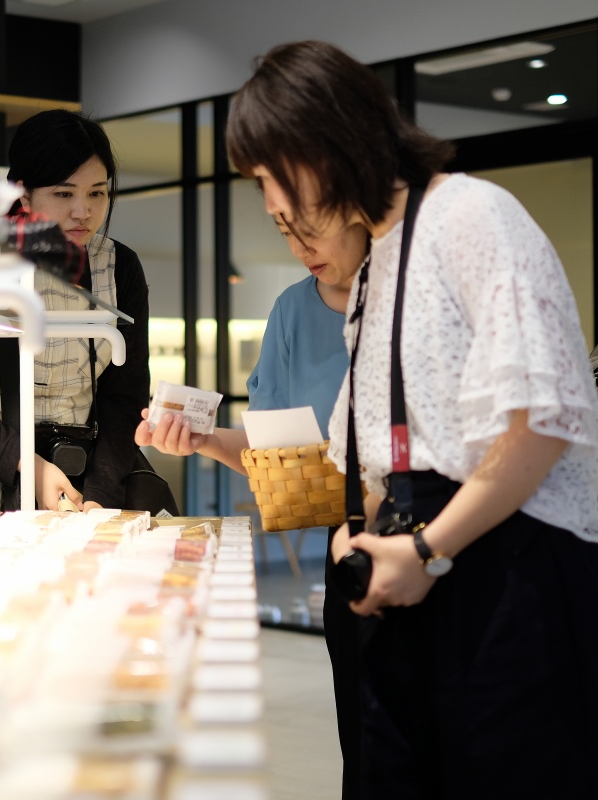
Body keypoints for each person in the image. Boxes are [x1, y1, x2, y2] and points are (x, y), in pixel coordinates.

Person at [226, 40, 598, 799]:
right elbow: (360, 467)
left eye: (270, 177)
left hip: (517, 589)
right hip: (426, 589)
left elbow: (540, 423)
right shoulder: (378, 265)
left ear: (323, 145)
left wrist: (428, 548)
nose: (271, 208)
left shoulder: (472, 215)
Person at [137, 219, 369, 799]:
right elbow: (273, 454)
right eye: (286, 231)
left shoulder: (410, 298)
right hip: (354, 553)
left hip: (436, 547)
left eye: (312, 227)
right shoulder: (293, 310)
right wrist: (203, 439)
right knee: (368, 746)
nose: (300, 248)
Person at [0, 109, 151, 513]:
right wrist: (27, 464)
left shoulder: (118, 266)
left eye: (97, 192)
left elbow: (124, 397)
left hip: (87, 480)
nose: (83, 211)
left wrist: (100, 495)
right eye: (64, 194)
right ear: (23, 194)